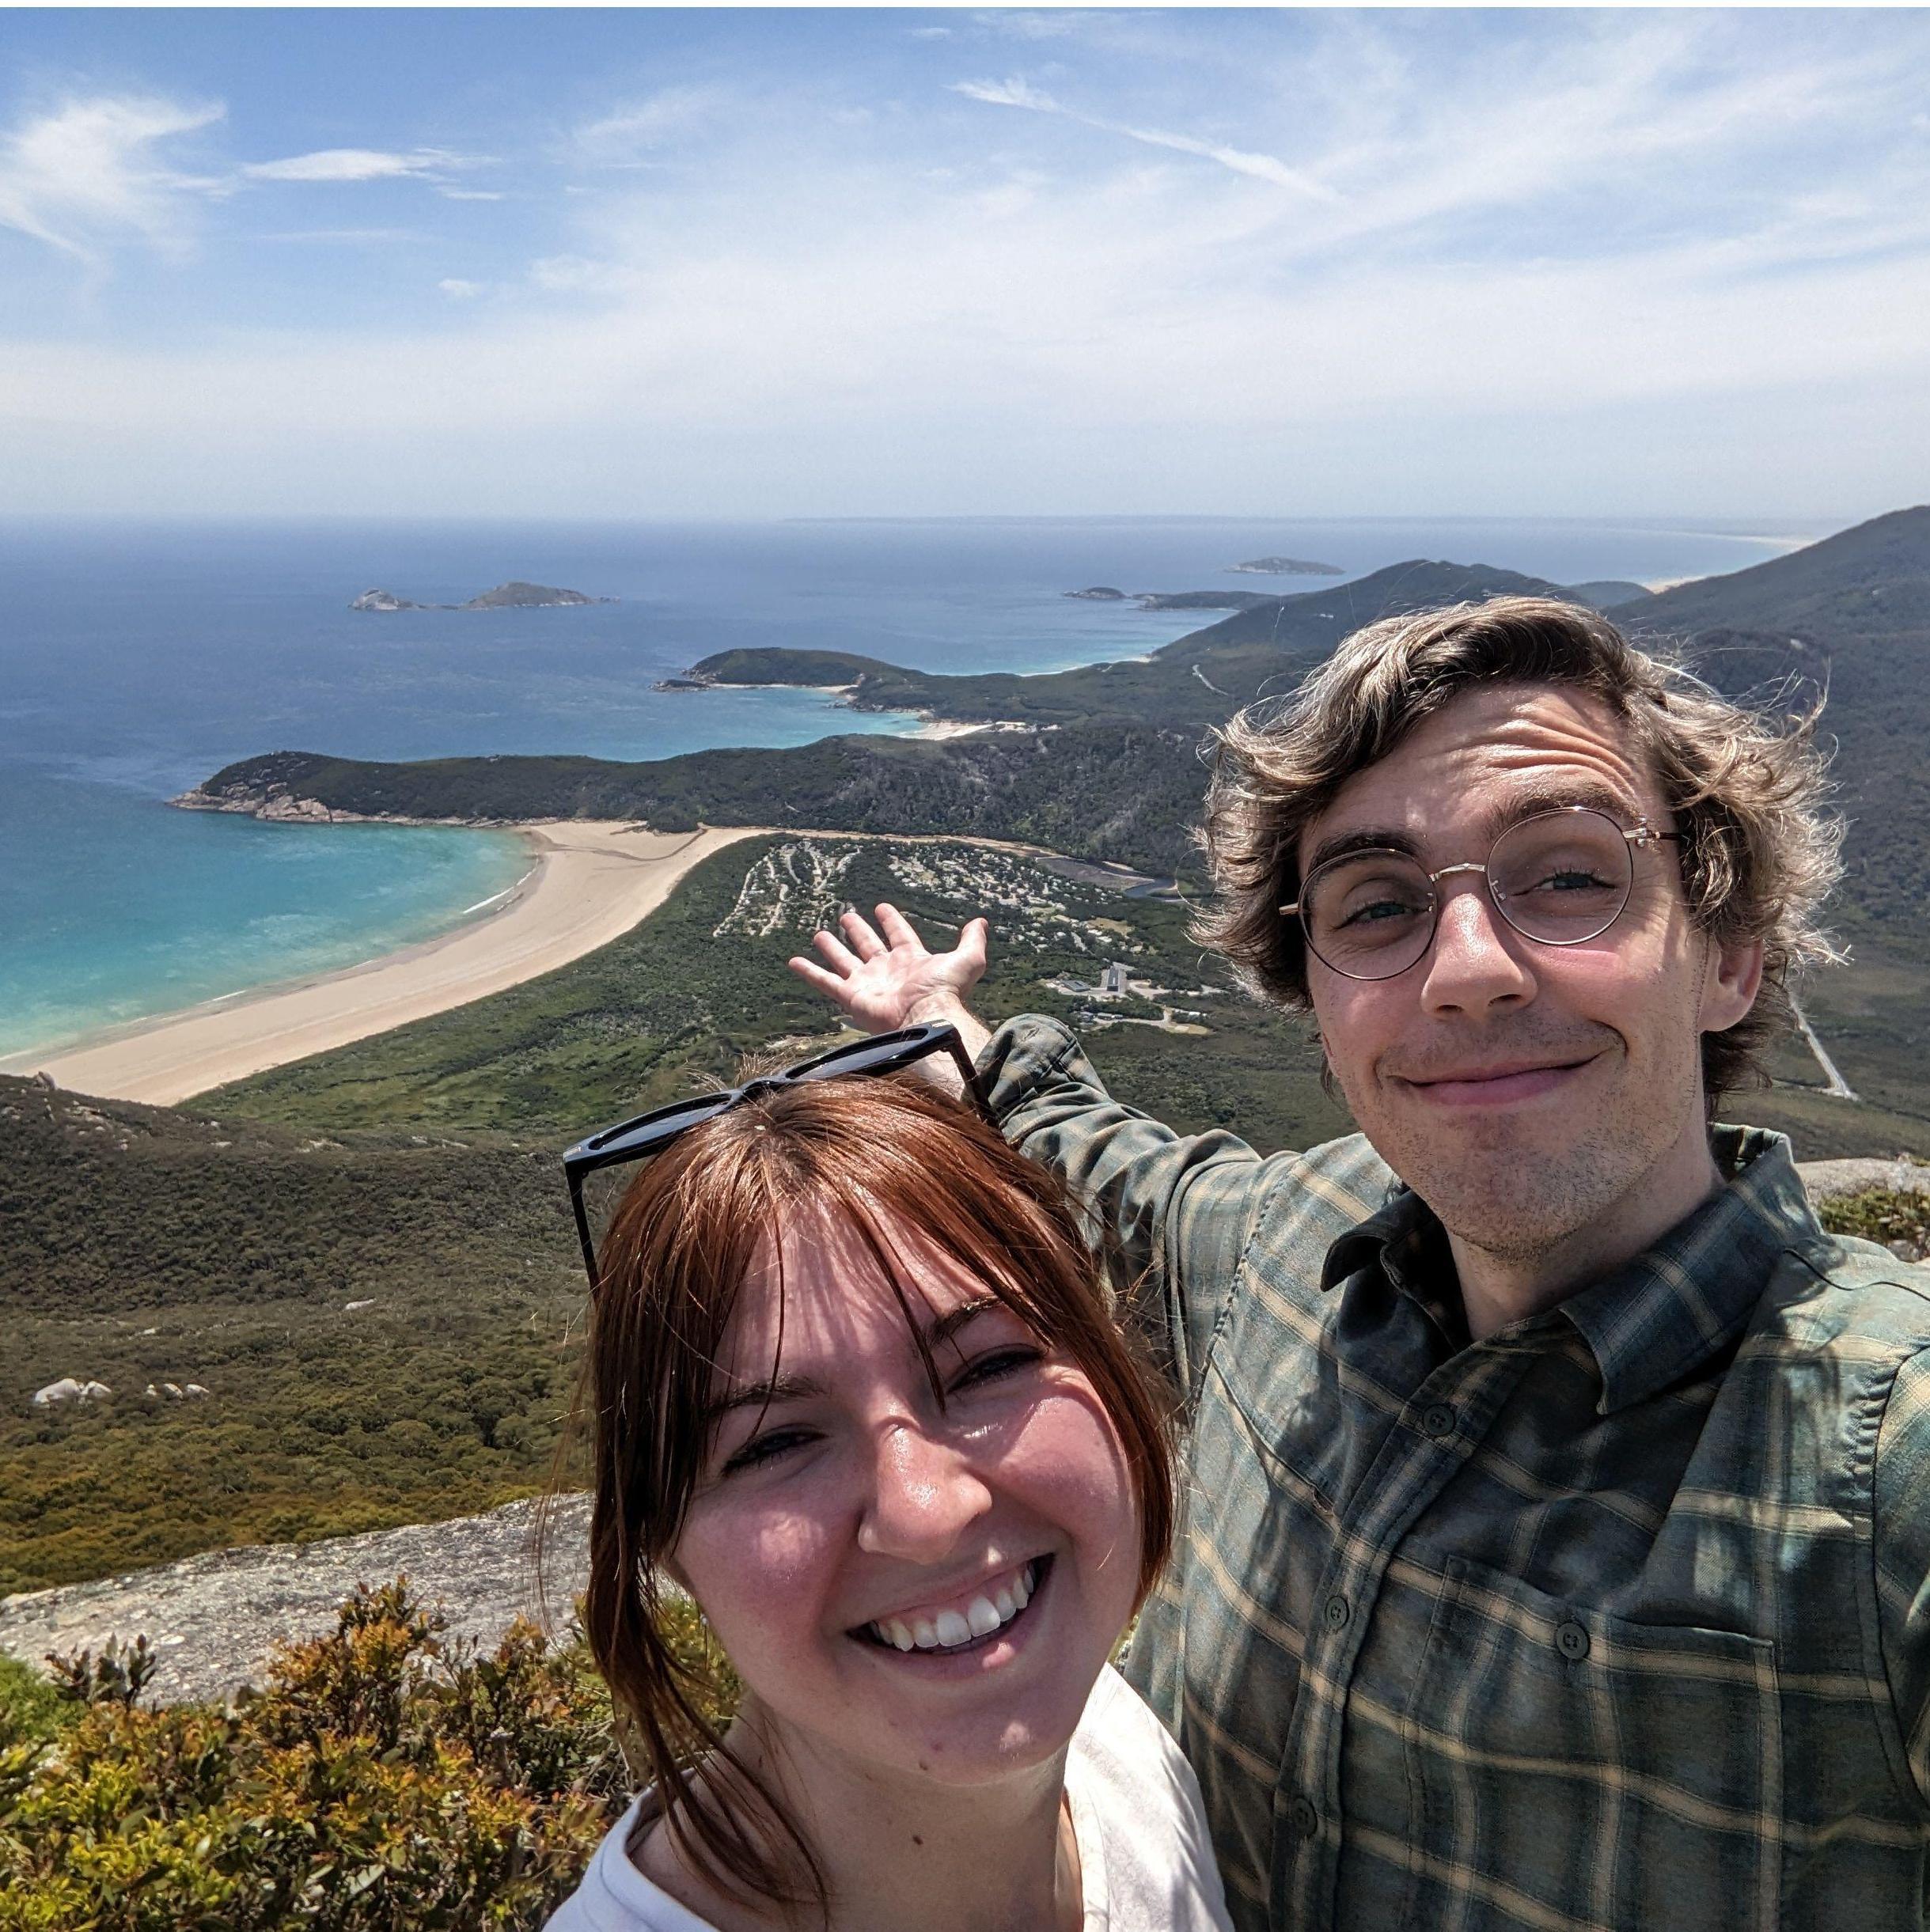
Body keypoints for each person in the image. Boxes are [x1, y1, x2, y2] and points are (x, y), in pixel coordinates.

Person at [791, 597, 1930, 1932]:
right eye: (1376, 904)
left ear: (1727, 953)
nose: (1464, 970)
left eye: (1565, 874)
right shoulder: (1280, 1244)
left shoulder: (1876, 1447)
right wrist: (937, 1024)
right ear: (1315, 997)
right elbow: (1082, 1156)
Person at [544, 1038, 1235, 1932]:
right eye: (775, 1443)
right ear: (660, 1543)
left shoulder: (1111, 1733)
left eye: (988, 1369)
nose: (926, 1510)